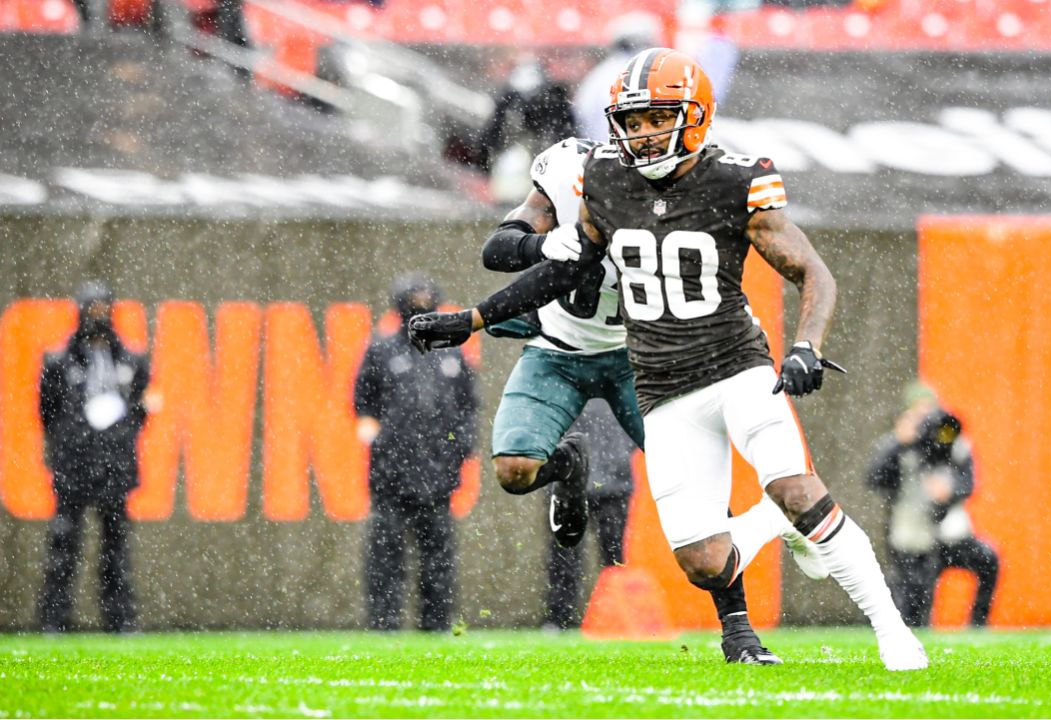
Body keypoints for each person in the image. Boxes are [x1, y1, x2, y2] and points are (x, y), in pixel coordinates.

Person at [409, 48, 927, 670]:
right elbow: (562, 270)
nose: (641, 133)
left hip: (735, 365)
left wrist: (807, 346)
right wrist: (473, 319)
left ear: (695, 115)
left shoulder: (737, 179)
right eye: (631, 121)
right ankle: (770, 524)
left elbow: (811, 271)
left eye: (657, 118)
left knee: (795, 486)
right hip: (661, 386)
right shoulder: (601, 177)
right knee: (703, 561)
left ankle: (892, 630)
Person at [451, 133, 820, 663]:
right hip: (561, 348)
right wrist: (545, 245)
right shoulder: (565, 169)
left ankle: (737, 629)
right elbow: (502, 249)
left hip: (638, 356)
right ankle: (568, 468)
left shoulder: (675, 190)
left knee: (703, 494)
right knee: (513, 469)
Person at [353, 274, 479, 632]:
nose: (421, 303)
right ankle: (384, 625)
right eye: (414, 298)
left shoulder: (452, 353)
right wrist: (382, 442)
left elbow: (470, 407)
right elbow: (362, 402)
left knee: (439, 559)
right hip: (390, 475)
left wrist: (461, 449)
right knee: (385, 555)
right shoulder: (381, 349)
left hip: (439, 477)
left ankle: (436, 627)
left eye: (427, 297)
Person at [38, 281, 150, 633]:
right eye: (92, 310)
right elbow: (47, 411)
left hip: (114, 466)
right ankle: (54, 621)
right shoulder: (59, 360)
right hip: (73, 465)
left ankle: (119, 620)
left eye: (103, 310)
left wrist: (116, 434)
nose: (97, 317)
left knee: (115, 548)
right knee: (64, 546)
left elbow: (141, 409)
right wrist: (73, 441)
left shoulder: (130, 360)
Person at [865, 381, 1000, 628]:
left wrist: (949, 490)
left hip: (949, 535)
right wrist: (899, 443)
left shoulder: (954, 442)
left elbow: (969, 483)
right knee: (913, 601)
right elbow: (874, 479)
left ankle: (978, 626)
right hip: (910, 538)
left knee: (988, 560)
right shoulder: (897, 445)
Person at [542, 399, 636, 631]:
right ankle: (560, 617)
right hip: (575, 482)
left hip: (610, 482)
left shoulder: (616, 380)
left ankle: (615, 618)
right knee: (567, 556)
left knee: (612, 559)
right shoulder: (564, 378)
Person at [572, 12, 663, 141]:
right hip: (630, 153)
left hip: (598, 152)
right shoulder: (642, 75)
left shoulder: (597, 76)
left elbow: (580, 117)